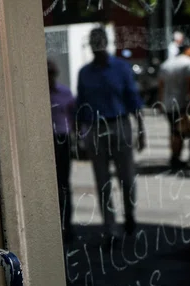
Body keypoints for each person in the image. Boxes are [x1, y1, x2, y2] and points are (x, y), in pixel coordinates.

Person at [76, 27, 145, 236]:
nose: (97, 47)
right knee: (102, 180)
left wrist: (141, 129)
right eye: (93, 43)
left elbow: (133, 98)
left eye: (99, 42)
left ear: (106, 43)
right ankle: (110, 226)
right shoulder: (85, 73)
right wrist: (79, 136)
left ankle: (130, 215)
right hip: (96, 129)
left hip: (119, 124)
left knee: (127, 176)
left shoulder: (121, 68)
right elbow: (81, 105)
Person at [158, 40, 190, 169]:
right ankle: (176, 157)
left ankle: (174, 156)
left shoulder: (166, 64)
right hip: (181, 102)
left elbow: (161, 85)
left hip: (168, 102)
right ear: (188, 49)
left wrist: (160, 102)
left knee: (173, 130)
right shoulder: (189, 63)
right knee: (179, 131)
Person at [48, 59, 76, 232]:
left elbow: (73, 115)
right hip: (46, 140)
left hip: (62, 138)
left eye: (51, 73)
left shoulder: (65, 93)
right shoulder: (38, 94)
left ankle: (67, 224)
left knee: (63, 183)